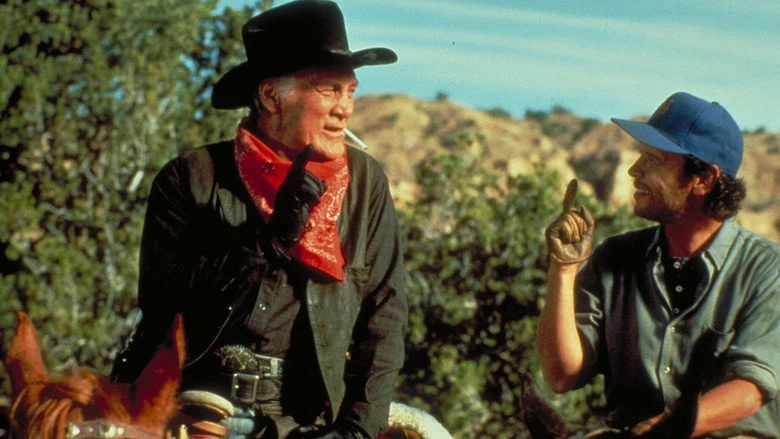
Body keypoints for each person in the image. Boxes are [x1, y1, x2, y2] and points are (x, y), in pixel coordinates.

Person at [110, 2, 408, 438]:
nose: (345, 108)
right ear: (271, 96)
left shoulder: (366, 184)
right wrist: (267, 242)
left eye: (350, 91)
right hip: (192, 410)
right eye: (329, 90)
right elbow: (161, 300)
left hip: (310, 422)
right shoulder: (191, 177)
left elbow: (385, 316)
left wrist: (357, 430)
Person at [537, 92, 779, 438]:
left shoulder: (767, 269)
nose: (634, 170)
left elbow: (750, 389)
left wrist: (660, 431)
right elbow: (561, 376)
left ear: (704, 179)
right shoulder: (613, 257)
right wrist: (563, 270)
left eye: (653, 159)